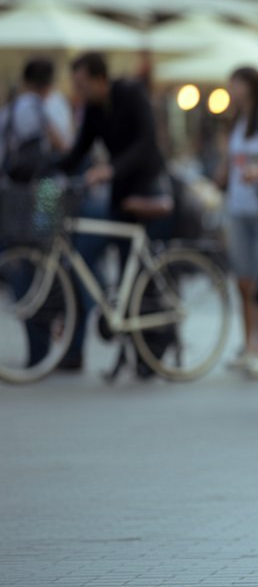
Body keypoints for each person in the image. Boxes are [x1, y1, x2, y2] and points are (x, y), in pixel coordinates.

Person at [54, 52, 171, 373]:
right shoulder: (93, 108)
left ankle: (150, 348)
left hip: (146, 188)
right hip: (119, 195)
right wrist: (45, 166)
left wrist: (111, 169)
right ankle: (112, 323)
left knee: (137, 276)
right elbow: (79, 150)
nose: (78, 90)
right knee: (99, 261)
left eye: (81, 83)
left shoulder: (131, 94)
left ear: (99, 78)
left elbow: (147, 142)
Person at [0, 59, 74, 369]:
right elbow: (64, 146)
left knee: (22, 265)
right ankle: (52, 333)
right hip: (44, 192)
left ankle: (38, 345)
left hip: (13, 194)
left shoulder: (9, 110)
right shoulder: (46, 108)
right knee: (50, 260)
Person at [214, 67, 258, 380]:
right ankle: (247, 344)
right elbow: (232, 162)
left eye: (238, 83)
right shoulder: (235, 122)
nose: (233, 88)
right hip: (238, 206)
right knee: (242, 280)